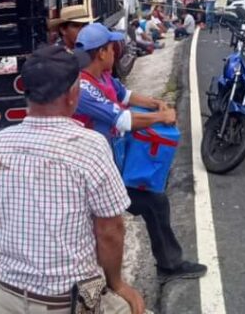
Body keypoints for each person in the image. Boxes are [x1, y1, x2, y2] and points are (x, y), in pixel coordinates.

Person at [0, 44, 145, 314]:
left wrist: (7, 262)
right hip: (66, 301)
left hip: (6, 295)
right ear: (72, 95)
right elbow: (110, 230)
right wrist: (116, 282)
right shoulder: (88, 146)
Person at [72, 23, 207, 283]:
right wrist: (162, 116)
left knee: (154, 202)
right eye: (112, 47)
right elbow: (122, 119)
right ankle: (126, 277)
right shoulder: (84, 89)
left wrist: (156, 103)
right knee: (148, 205)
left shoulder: (103, 77)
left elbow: (127, 96)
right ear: (102, 52)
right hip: (92, 174)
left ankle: (166, 265)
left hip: (111, 163)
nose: (116, 52)